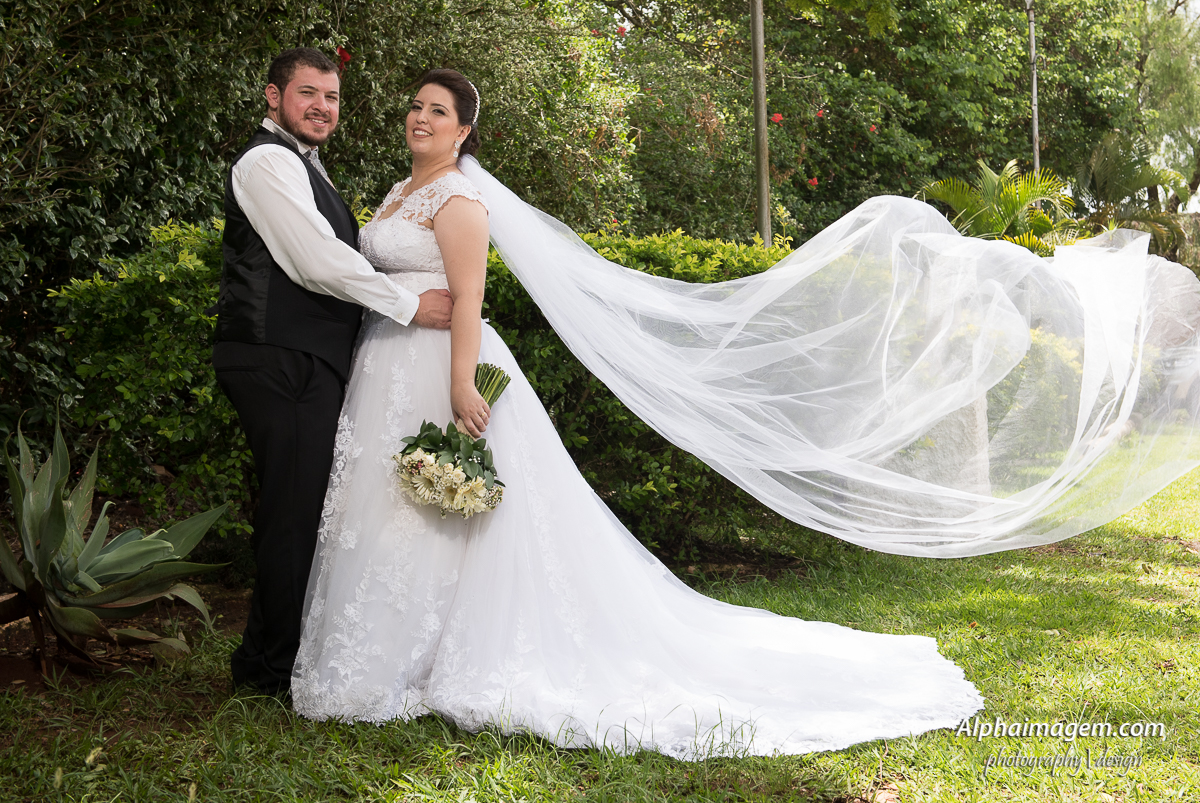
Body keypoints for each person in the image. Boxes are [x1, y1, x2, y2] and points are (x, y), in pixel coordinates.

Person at [289, 69, 995, 759]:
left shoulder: (460, 200)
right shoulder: (397, 192)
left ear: (464, 130)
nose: (422, 118)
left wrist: (461, 385)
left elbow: (468, 298)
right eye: (417, 106)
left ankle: (421, 658)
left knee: (441, 514)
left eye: (439, 111)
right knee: (388, 507)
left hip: (439, 364)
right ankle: (379, 653)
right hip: (384, 361)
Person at [212, 48, 456, 696]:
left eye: (332, 96)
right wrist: (408, 304)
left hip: (301, 358)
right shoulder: (267, 162)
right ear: (273, 96)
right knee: (294, 513)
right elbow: (317, 260)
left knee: (295, 507)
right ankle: (273, 670)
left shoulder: (303, 166)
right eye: (308, 93)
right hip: (277, 356)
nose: (323, 106)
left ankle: (263, 658)